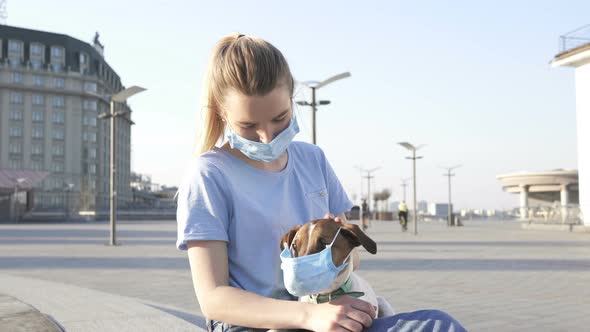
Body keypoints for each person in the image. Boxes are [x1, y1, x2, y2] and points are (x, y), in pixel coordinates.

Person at [176, 33, 466, 332]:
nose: (267, 136)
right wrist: (308, 316)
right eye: (248, 126)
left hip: (323, 312)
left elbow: (353, 261)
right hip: (254, 325)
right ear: (221, 113)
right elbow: (213, 300)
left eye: (280, 118)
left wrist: (336, 255)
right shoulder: (210, 175)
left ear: (293, 99)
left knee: (438, 324)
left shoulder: (312, 159)